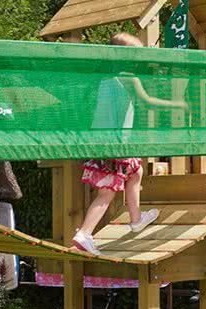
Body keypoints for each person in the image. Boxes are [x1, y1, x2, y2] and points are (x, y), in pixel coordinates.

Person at [71, 32, 188, 256]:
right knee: (106, 194)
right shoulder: (127, 77)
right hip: (114, 144)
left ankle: (136, 220)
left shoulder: (103, 78)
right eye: (134, 54)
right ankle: (85, 234)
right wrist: (178, 104)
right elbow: (147, 100)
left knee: (136, 170)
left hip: (104, 141)